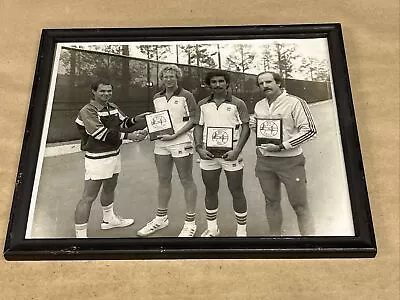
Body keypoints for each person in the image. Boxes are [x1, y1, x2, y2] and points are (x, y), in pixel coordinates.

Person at [74, 79, 149, 238]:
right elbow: (100, 133)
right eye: (102, 91)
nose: (106, 94)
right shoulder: (88, 110)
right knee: (88, 197)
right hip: (97, 158)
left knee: (110, 188)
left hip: (114, 154)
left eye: (109, 91)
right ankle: (80, 237)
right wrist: (130, 136)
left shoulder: (113, 107)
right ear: (93, 91)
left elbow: (124, 122)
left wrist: (138, 118)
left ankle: (109, 220)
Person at [250, 71, 317, 236]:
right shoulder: (259, 105)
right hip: (265, 161)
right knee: (271, 202)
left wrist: (283, 146)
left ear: (279, 83)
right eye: (261, 83)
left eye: (268, 82)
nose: (265, 86)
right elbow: (265, 132)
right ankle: (275, 239)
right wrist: (255, 126)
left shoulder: (295, 102)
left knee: (300, 205)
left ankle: (311, 243)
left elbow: (310, 131)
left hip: (290, 161)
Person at [137, 64, 198, 238]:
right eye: (165, 76)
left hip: (181, 141)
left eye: (172, 76)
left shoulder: (187, 95)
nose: (169, 79)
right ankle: (161, 218)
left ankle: (190, 223)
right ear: (162, 78)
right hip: (161, 143)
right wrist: (147, 130)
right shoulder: (157, 97)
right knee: (163, 179)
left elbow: (194, 119)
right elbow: (159, 121)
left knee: (186, 180)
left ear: (177, 77)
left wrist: (175, 135)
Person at [194, 70, 250, 237]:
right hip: (208, 155)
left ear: (227, 83)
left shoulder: (238, 103)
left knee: (237, 190)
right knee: (210, 190)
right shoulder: (202, 104)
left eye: (221, 81)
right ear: (209, 85)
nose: (217, 85)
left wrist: (237, 150)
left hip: (230, 155)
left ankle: (241, 231)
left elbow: (246, 127)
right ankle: (212, 229)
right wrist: (199, 148)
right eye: (213, 82)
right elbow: (198, 125)